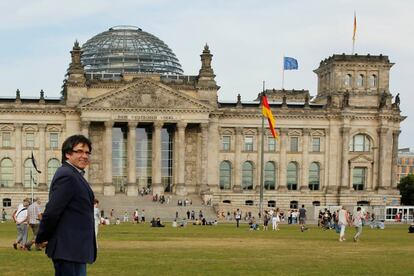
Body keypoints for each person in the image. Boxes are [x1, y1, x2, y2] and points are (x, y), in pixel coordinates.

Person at [35, 134, 97, 276]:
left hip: (75, 249)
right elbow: (52, 211)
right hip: (68, 249)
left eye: (87, 152)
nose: (85, 156)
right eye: (79, 151)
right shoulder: (67, 175)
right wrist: (41, 237)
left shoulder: (75, 175)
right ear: (68, 154)